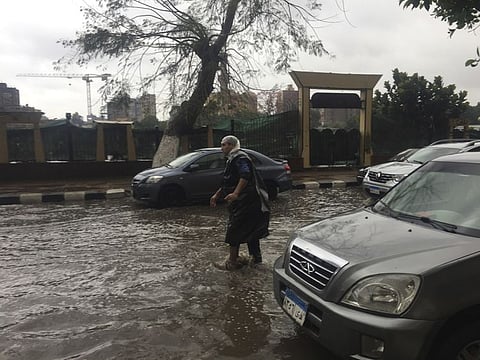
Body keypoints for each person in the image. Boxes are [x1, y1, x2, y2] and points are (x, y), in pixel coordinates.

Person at [210, 135, 270, 270]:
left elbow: (245, 175)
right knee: (251, 230)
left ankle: (232, 262)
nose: (222, 148)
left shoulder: (240, 158)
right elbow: (228, 181)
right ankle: (256, 261)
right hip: (244, 201)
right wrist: (216, 195)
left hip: (247, 201)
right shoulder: (232, 159)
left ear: (231, 145)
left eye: (224, 145)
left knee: (234, 229)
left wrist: (236, 193)